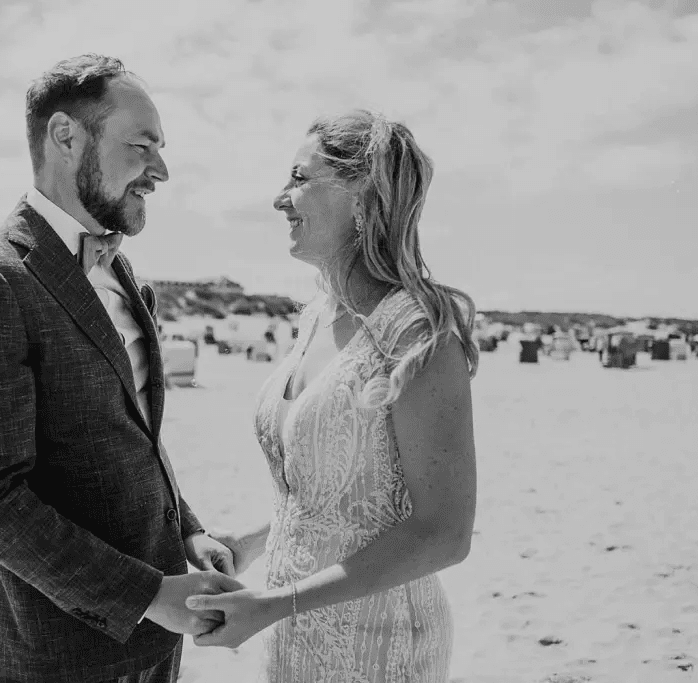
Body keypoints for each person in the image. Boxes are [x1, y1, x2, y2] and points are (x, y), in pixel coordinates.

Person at [0, 54, 242, 683]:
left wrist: (189, 535)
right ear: (66, 136)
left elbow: (131, 440)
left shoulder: (122, 275)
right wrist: (148, 595)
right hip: (63, 655)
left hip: (157, 648)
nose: (162, 170)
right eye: (142, 144)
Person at [187, 110, 479, 682]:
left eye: (299, 178)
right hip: (294, 642)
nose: (279, 198)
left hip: (383, 648)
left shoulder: (417, 335)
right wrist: (247, 546)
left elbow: (443, 532)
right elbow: (341, 502)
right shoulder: (315, 320)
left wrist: (275, 603)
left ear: (362, 194)